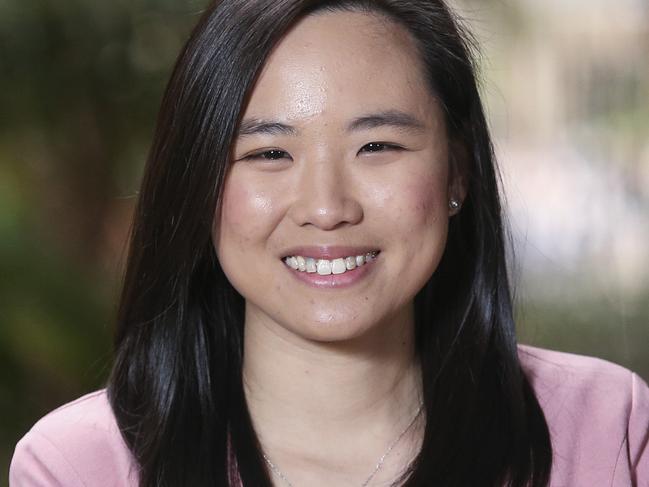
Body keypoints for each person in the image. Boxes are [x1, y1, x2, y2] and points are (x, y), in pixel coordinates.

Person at [9, 1, 649, 486]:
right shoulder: (82, 466)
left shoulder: (605, 429)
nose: (326, 208)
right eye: (267, 152)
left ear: (457, 171)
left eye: (377, 146)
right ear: (198, 184)